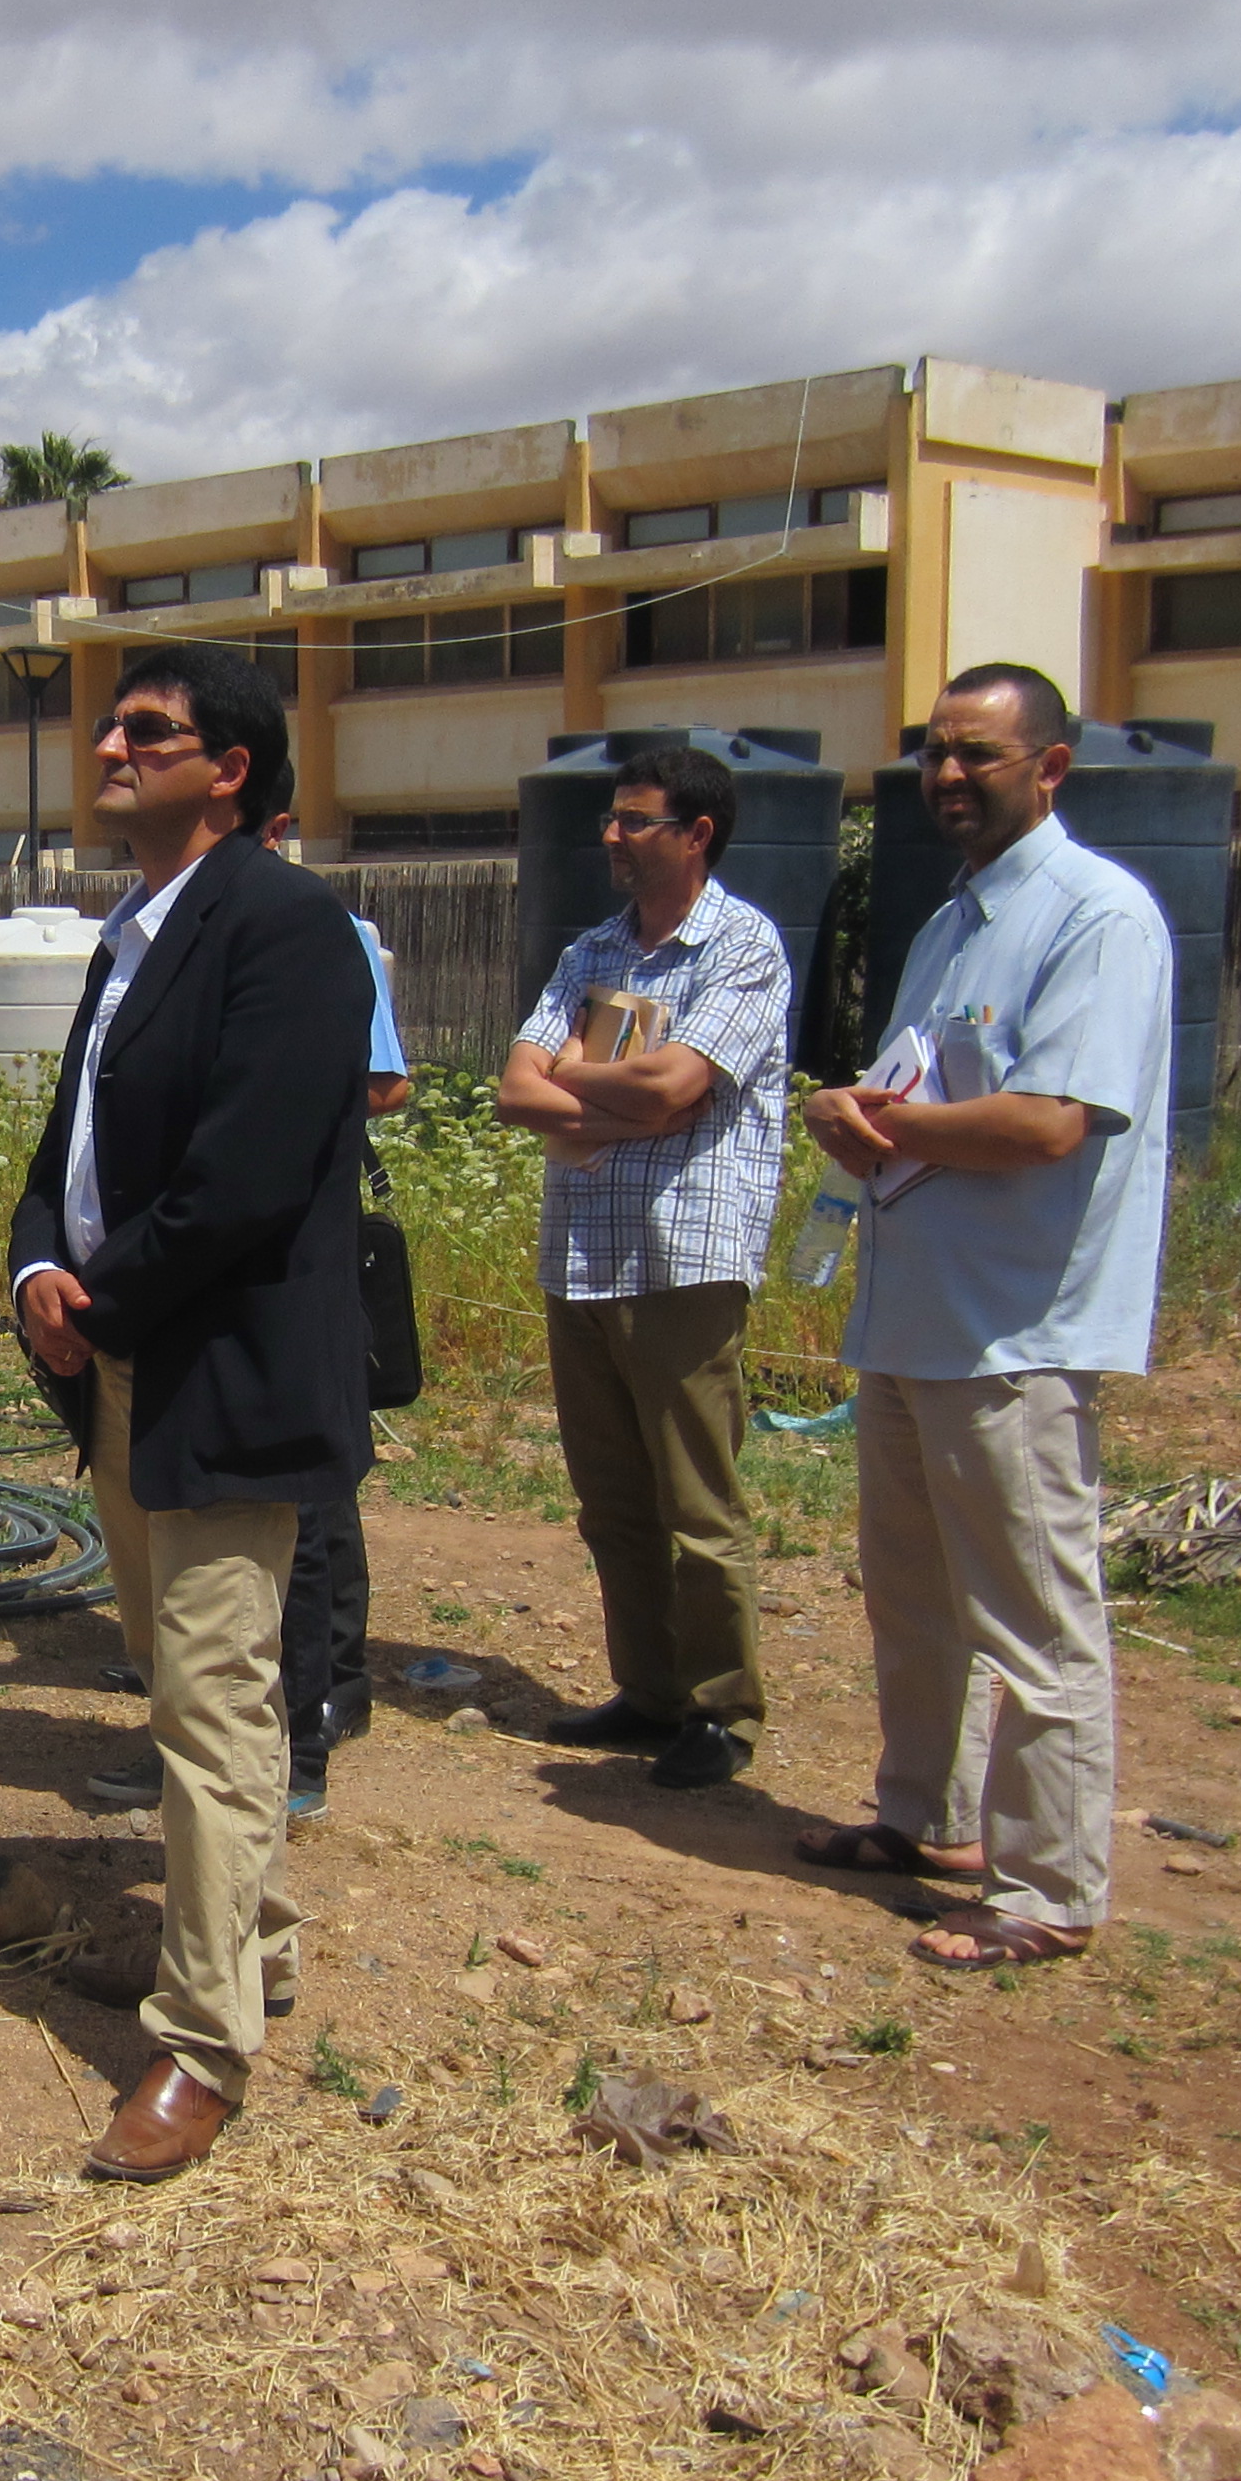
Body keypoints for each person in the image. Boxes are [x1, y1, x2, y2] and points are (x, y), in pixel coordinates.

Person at [11, 644, 373, 2182]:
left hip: (220, 1369)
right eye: (110, 725)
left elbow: (244, 1180)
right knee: (177, 1682)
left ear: (229, 768)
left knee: (219, 1703)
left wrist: (100, 1295)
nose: (110, 745)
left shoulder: (289, 929)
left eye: (146, 730)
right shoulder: (132, 936)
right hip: (124, 1365)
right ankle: (254, 1943)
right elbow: (68, 1147)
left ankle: (205, 2043)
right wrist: (36, 1259)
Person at [791, 663, 1173, 1971]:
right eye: (934, 756)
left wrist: (875, 1121)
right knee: (914, 1600)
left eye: (977, 756)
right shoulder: (952, 923)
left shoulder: (1096, 917)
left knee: (1033, 1619)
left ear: (1049, 768)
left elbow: (1050, 1121)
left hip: (1016, 1329)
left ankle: (1049, 1887)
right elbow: (918, 1088)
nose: (947, 778)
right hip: (915, 1317)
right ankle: (928, 1816)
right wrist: (851, 1111)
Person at [81, 808, 405, 1822]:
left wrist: (111, 1293)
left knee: (292, 1532)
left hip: (257, 1307)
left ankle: (302, 1732)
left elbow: (352, 1093)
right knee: (186, 1558)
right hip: (163, 1298)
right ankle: (202, 1742)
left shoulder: (310, 930)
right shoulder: (134, 935)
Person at [491, 739, 793, 1791]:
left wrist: (579, 1073)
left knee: (696, 1503)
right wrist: (625, 1092)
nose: (612, 836)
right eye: (610, 818)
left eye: (634, 820)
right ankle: (650, 1691)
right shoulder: (591, 953)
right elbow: (515, 1090)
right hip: (582, 1255)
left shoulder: (741, 947)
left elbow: (676, 1088)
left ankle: (721, 1710)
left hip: (683, 1256)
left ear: (696, 834)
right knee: (612, 1501)